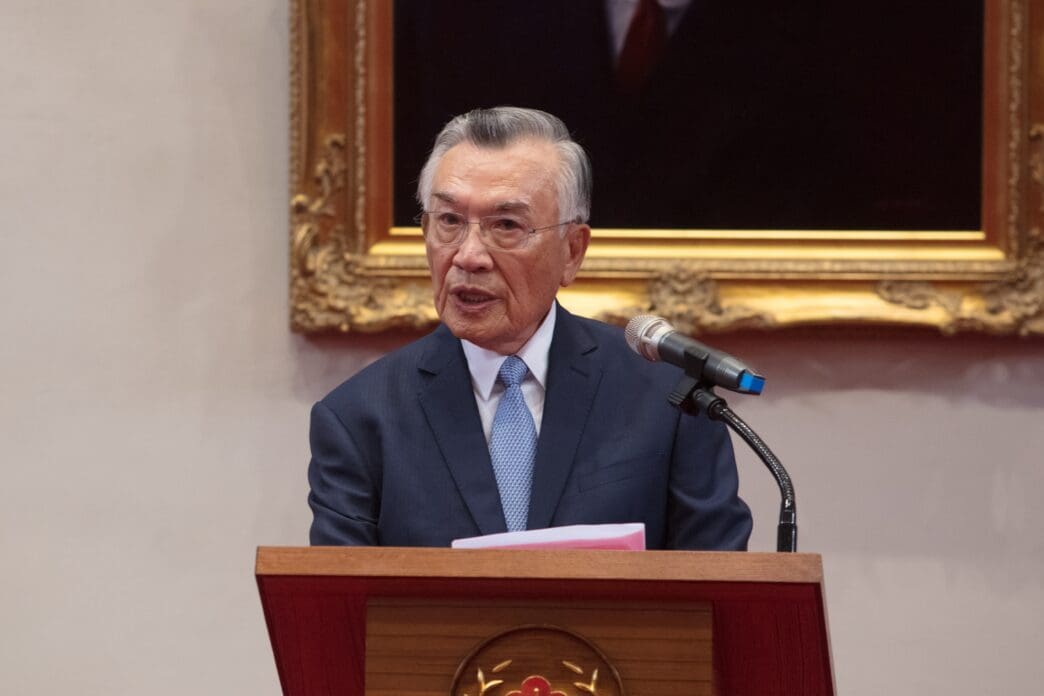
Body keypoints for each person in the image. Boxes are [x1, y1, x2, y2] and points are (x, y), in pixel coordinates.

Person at [308, 107, 752, 549]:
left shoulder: (670, 400)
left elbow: (723, 595)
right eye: (449, 221)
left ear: (572, 251)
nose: (468, 256)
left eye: (506, 225)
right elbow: (338, 611)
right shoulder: (359, 419)